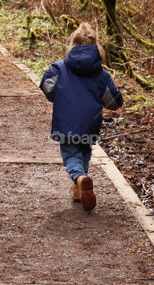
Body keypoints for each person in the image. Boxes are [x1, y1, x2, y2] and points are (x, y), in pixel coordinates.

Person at [39, 22, 122, 212]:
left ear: (72, 46)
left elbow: (47, 87)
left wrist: (57, 96)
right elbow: (113, 101)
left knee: (70, 156)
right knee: (84, 152)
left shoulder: (59, 68)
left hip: (65, 121)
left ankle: (80, 179)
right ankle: (79, 190)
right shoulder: (101, 74)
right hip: (90, 123)